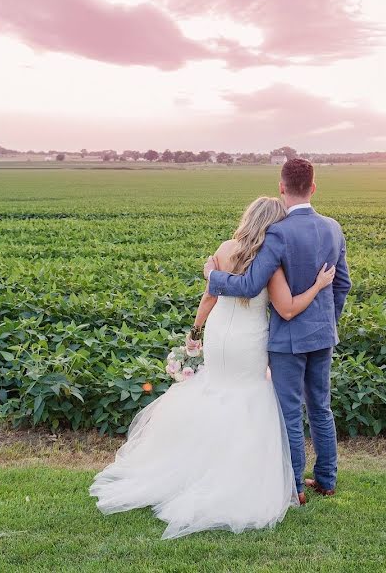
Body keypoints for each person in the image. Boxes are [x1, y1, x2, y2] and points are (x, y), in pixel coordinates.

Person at [90, 196, 336, 539]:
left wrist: (195, 332)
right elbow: (287, 307)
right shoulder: (270, 259)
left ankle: (196, 467)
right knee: (248, 396)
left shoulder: (223, 249)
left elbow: (209, 296)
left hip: (220, 333)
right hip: (248, 338)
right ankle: (243, 474)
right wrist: (319, 285)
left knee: (215, 390)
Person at [205, 158, 352, 501]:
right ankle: (327, 479)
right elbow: (342, 284)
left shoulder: (278, 233)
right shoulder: (333, 227)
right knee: (320, 406)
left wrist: (213, 277)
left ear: (281, 187)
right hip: (322, 334)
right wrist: (329, 321)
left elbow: (251, 283)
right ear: (313, 187)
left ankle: (295, 487)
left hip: (287, 340)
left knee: (289, 412)